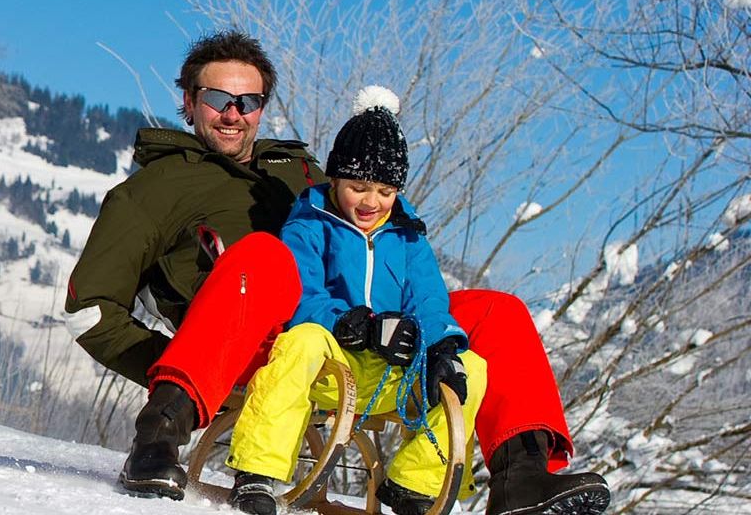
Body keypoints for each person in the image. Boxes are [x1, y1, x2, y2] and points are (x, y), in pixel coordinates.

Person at [62, 31, 608, 514]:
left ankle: (523, 476)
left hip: (353, 329)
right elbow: (89, 311)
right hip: (257, 341)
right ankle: (159, 436)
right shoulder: (154, 189)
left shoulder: (300, 173)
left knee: (497, 312)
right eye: (217, 98)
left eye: (248, 100)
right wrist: (182, 371)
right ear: (189, 100)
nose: (233, 113)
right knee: (265, 254)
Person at [225, 87, 486, 515]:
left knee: (471, 368)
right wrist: (355, 324)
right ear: (335, 179)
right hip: (329, 367)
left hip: (391, 374)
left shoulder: (407, 234)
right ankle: (257, 471)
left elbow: (429, 299)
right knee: (301, 341)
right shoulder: (311, 222)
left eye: (385, 191)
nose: (371, 202)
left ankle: (413, 485)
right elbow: (300, 294)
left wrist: (441, 346)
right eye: (359, 187)